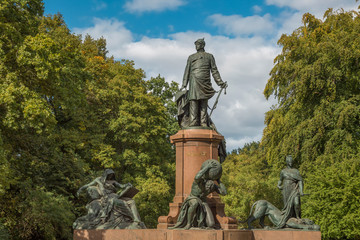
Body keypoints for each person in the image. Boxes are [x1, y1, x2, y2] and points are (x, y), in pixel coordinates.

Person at [76, 169, 145, 229]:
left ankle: (136, 220)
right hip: (107, 198)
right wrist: (80, 189)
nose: (110, 176)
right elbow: (88, 185)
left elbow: (122, 186)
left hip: (116, 196)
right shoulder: (98, 180)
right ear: (105, 174)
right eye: (109, 175)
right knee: (120, 203)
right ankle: (131, 217)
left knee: (131, 201)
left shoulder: (113, 181)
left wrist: (128, 185)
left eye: (112, 175)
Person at [181, 38, 227, 127]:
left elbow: (214, 71)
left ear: (202, 45)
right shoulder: (191, 57)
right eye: (195, 45)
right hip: (194, 81)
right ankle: (193, 122)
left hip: (205, 82)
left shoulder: (209, 56)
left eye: (198, 44)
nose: (196, 46)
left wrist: (220, 82)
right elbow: (187, 71)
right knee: (193, 101)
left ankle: (203, 122)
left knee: (203, 102)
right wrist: (184, 84)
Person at [170, 159, 227, 229]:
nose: (208, 188)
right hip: (192, 198)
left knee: (211, 224)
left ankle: (201, 223)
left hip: (203, 201)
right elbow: (197, 176)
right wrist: (208, 167)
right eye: (207, 187)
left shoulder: (212, 186)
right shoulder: (199, 181)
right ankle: (188, 224)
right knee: (195, 203)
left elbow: (224, 192)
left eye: (210, 188)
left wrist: (218, 180)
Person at [277, 155, 304, 226]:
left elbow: (300, 180)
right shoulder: (283, 171)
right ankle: (288, 220)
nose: (291, 163)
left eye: (292, 162)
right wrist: (279, 185)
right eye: (289, 162)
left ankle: (297, 217)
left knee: (296, 203)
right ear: (287, 162)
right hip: (286, 190)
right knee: (287, 206)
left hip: (294, 189)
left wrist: (301, 191)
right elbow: (280, 180)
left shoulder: (296, 171)